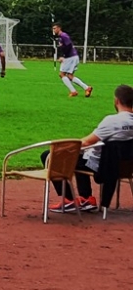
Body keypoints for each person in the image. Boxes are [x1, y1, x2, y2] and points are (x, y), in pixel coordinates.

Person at [45, 84, 133, 213]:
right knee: (82, 156)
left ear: (116, 101)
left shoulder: (112, 121)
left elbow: (86, 142)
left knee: (52, 156)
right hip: (126, 167)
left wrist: (64, 147)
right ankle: (86, 198)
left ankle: (69, 199)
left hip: (104, 166)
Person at [53, 23, 93, 98]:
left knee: (62, 74)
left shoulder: (63, 35)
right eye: (53, 29)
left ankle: (73, 91)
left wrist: (63, 56)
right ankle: (87, 88)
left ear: (59, 28)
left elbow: (68, 45)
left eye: (55, 28)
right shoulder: (61, 37)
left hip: (70, 57)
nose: (53, 30)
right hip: (73, 57)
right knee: (70, 75)